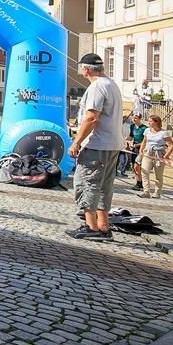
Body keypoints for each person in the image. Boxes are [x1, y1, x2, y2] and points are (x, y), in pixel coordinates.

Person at [68, 53, 123, 241]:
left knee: (87, 183)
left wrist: (76, 141)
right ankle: (103, 226)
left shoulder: (97, 87)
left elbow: (91, 117)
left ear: (85, 69)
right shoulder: (112, 84)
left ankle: (91, 227)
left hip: (96, 144)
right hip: (113, 144)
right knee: (104, 186)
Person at [139, 114, 172, 198]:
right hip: (148, 153)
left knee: (158, 175)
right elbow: (144, 141)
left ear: (156, 122)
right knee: (144, 171)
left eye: (150, 121)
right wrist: (141, 150)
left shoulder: (164, 133)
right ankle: (146, 191)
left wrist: (166, 156)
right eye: (148, 121)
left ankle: (157, 192)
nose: (148, 123)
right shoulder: (147, 130)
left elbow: (171, 145)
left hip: (159, 154)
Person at [124, 113, 147, 188]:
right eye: (133, 118)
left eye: (136, 118)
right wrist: (125, 139)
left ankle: (141, 183)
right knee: (134, 166)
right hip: (134, 148)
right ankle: (138, 183)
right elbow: (131, 136)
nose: (134, 120)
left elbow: (145, 141)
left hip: (141, 149)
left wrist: (138, 145)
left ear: (140, 119)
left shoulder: (144, 128)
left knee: (137, 166)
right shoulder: (132, 126)